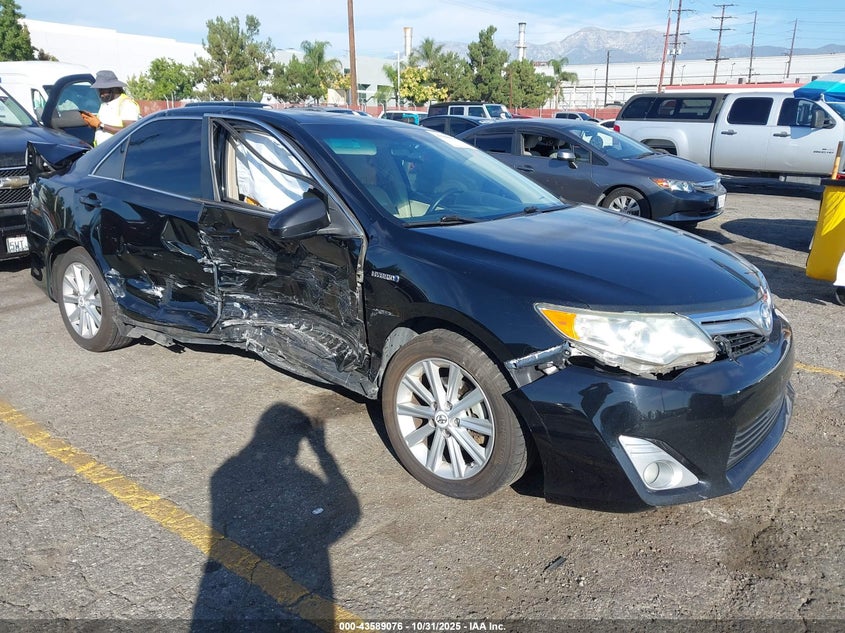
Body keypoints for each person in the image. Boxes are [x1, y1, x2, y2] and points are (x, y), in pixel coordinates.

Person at [79, 70, 140, 145]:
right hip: (104, 149)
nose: (101, 94)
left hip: (118, 150)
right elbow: (102, 126)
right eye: (99, 90)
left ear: (113, 88)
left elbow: (129, 132)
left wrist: (100, 125)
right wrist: (92, 123)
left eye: (103, 90)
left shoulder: (127, 104)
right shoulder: (104, 104)